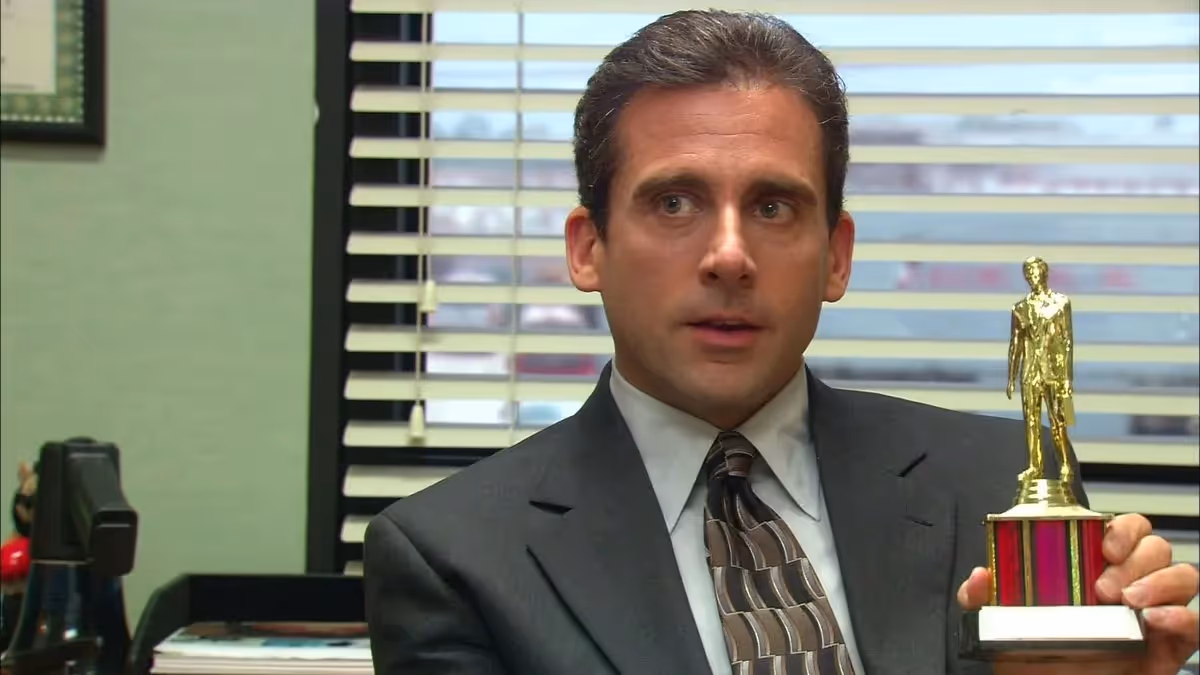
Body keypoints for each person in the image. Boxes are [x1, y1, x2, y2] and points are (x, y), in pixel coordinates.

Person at [363, 10, 1199, 674]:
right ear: (588, 249)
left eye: (773, 207)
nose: (729, 255)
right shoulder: (455, 559)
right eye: (674, 203)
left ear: (836, 256)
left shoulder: (990, 486)